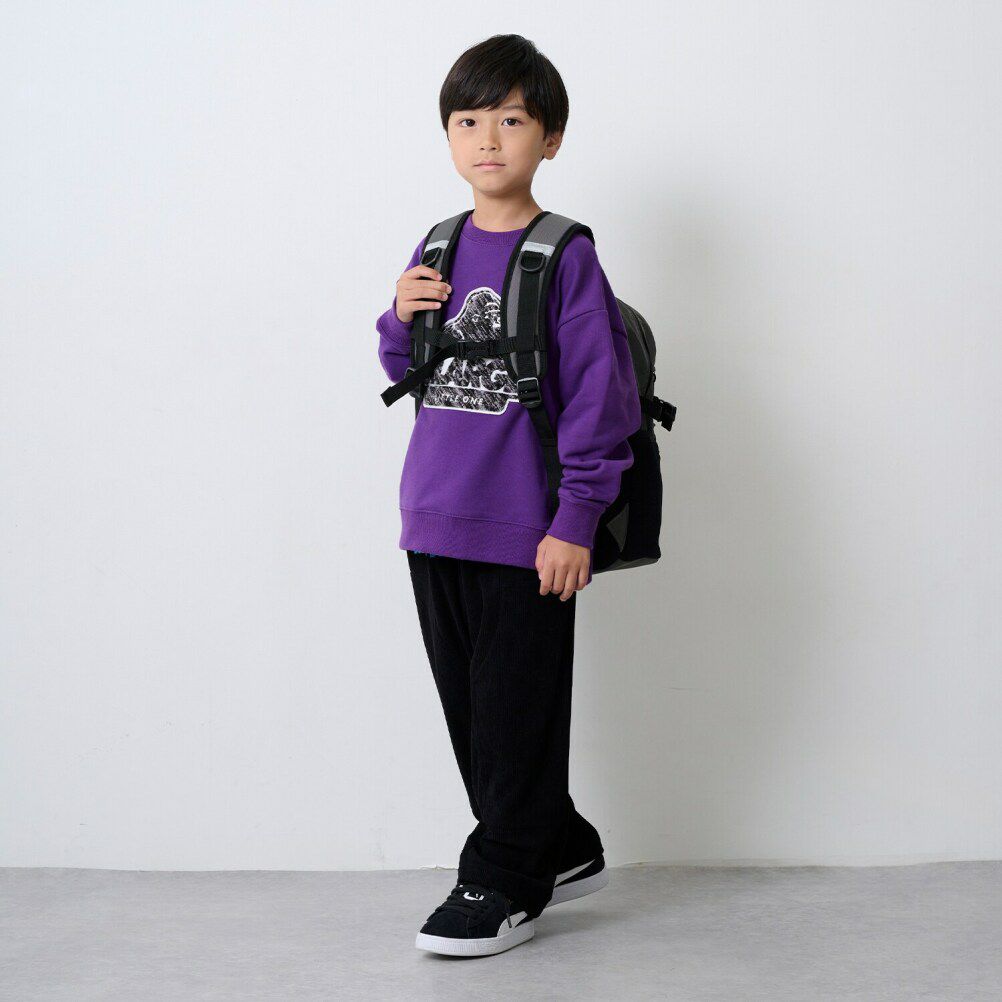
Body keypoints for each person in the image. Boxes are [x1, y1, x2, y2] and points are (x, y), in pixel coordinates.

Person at [375, 34, 642, 958]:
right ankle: (557, 842)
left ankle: (503, 878)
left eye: (512, 120)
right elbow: (405, 367)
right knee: (475, 715)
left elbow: (602, 401)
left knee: (515, 711)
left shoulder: (564, 256)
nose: (488, 139)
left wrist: (576, 521)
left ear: (550, 137)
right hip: (434, 515)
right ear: (449, 136)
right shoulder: (438, 243)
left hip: (527, 529)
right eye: (468, 121)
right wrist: (397, 314)